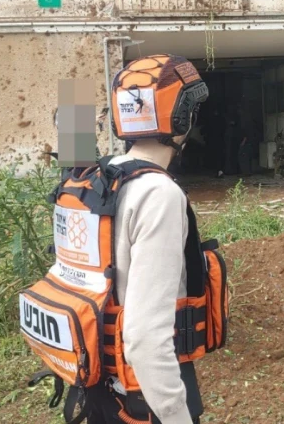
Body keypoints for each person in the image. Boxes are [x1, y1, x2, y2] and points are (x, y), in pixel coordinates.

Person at [88, 55, 210, 424]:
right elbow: (143, 338)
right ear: (183, 118)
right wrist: (176, 415)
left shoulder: (98, 178)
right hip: (143, 395)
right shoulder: (158, 194)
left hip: (100, 384)